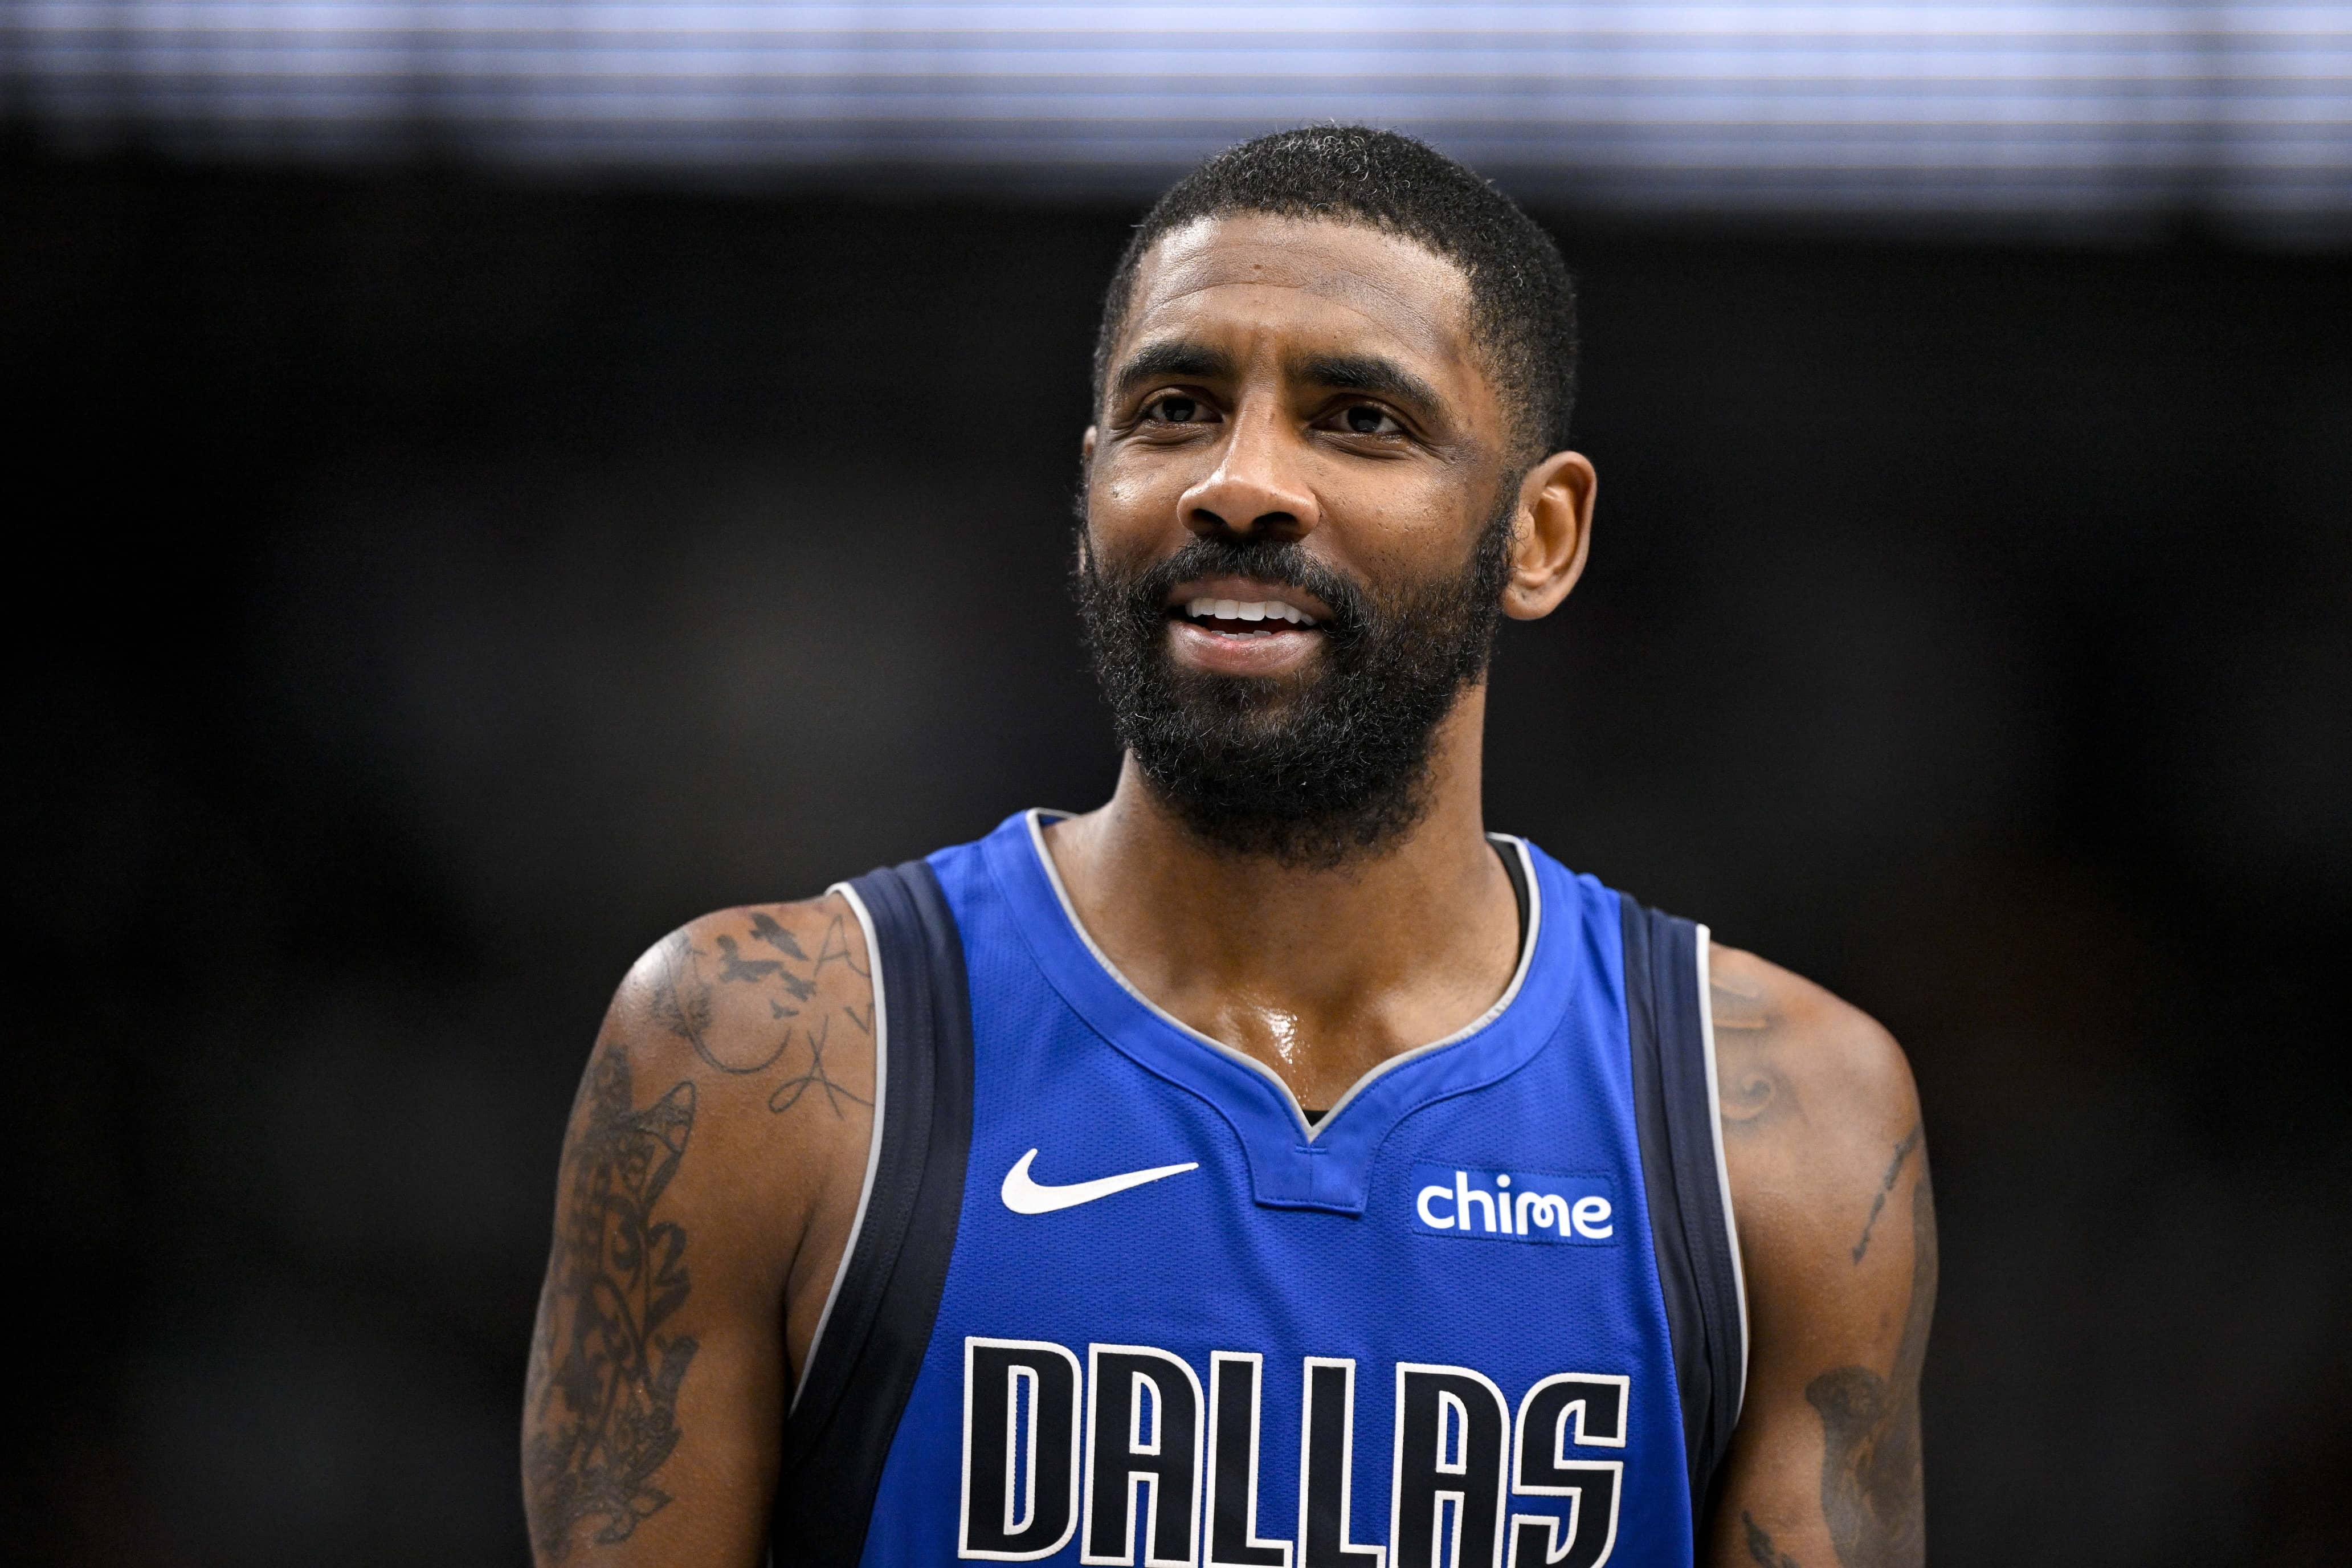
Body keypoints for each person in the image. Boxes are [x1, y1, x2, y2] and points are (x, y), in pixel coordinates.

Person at [521, 126, 1934, 1568]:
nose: (1240, 482)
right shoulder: (760, 1049)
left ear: (1542, 534)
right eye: (1178, 408)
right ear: (1091, 493)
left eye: (1360, 419)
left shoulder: (1786, 1121)